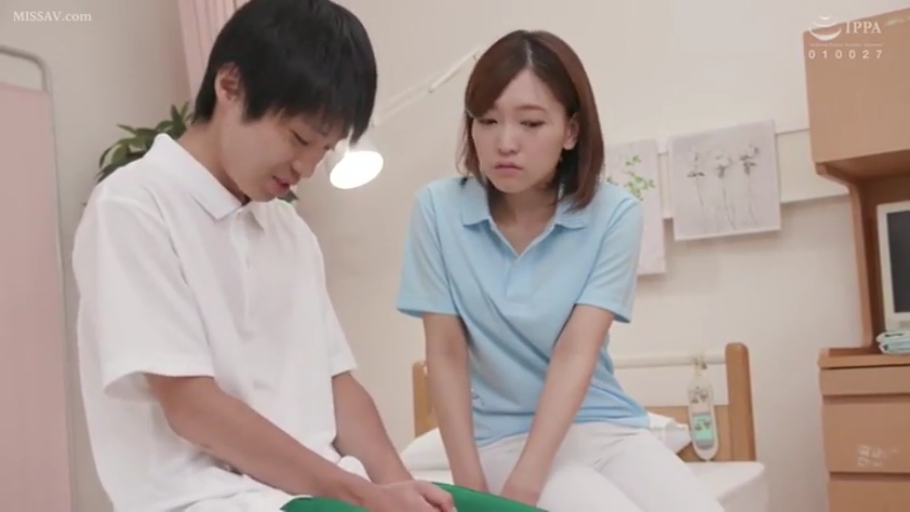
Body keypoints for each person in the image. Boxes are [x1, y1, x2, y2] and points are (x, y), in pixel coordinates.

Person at [72, 1, 459, 511]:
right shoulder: (134, 207)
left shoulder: (289, 231)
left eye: (324, 150)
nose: (306, 168)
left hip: (321, 491)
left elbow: (337, 385)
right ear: (229, 85)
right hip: (208, 499)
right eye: (299, 138)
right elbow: (192, 408)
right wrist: (362, 495)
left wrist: (396, 486)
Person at [396, 30, 725, 512]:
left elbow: (576, 352)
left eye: (530, 123)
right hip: (501, 438)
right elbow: (445, 353)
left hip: (606, 427)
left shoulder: (615, 213)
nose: (505, 142)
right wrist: (473, 490)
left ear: (571, 131)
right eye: (487, 120)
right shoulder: (437, 210)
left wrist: (529, 481)